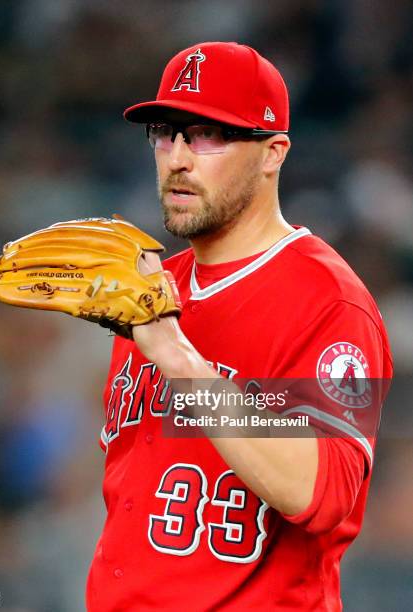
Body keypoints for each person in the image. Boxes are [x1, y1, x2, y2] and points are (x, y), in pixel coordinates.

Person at [86, 42, 393, 611]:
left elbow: (320, 493)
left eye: (205, 134)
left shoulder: (330, 302)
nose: (177, 157)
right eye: (164, 131)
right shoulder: (149, 288)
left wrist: (181, 362)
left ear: (273, 152)